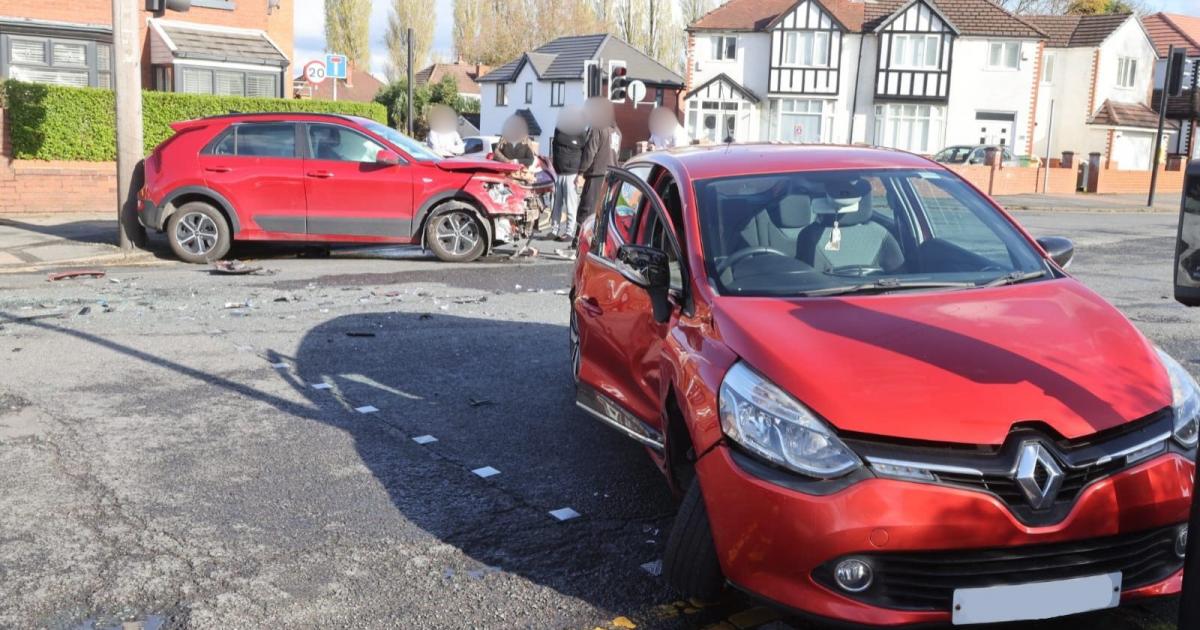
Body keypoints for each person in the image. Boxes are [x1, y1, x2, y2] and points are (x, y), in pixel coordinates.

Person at [574, 97, 620, 248]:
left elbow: (590, 152)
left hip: (596, 174)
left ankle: (579, 245)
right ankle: (599, 245)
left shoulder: (597, 128)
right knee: (604, 212)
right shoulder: (617, 131)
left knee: (587, 210)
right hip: (612, 176)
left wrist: (581, 172)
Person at [549, 106, 587, 241]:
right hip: (558, 172)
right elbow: (554, 146)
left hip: (572, 173)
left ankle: (569, 232)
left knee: (571, 205)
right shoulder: (558, 129)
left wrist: (581, 174)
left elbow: (585, 152)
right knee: (556, 204)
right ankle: (554, 230)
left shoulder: (580, 132)